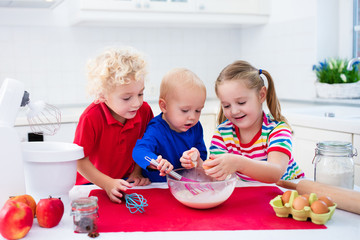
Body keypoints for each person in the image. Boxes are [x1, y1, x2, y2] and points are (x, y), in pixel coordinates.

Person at [74, 47, 154, 203]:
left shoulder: (144, 111)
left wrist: (137, 172)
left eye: (140, 94)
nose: (137, 103)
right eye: (126, 98)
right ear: (102, 95)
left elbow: (144, 145)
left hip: (125, 181)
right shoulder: (91, 117)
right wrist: (107, 183)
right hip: (92, 184)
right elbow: (79, 161)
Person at [205, 60, 304, 183]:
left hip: (288, 193)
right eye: (226, 105)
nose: (234, 111)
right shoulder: (222, 133)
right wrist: (198, 162)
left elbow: (275, 173)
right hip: (256, 193)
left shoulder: (277, 130)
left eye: (241, 102)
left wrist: (238, 163)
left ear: (261, 95)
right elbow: (217, 176)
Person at [132, 68, 208, 182]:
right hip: (159, 187)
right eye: (185, 110)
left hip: (184, 186)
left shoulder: (195, 127)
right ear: (164, 106)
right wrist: (155, 161)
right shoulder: (156, 129)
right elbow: (139, 151)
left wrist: (196, 159)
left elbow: (202, 155)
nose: (192, 117)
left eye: (198, 110)